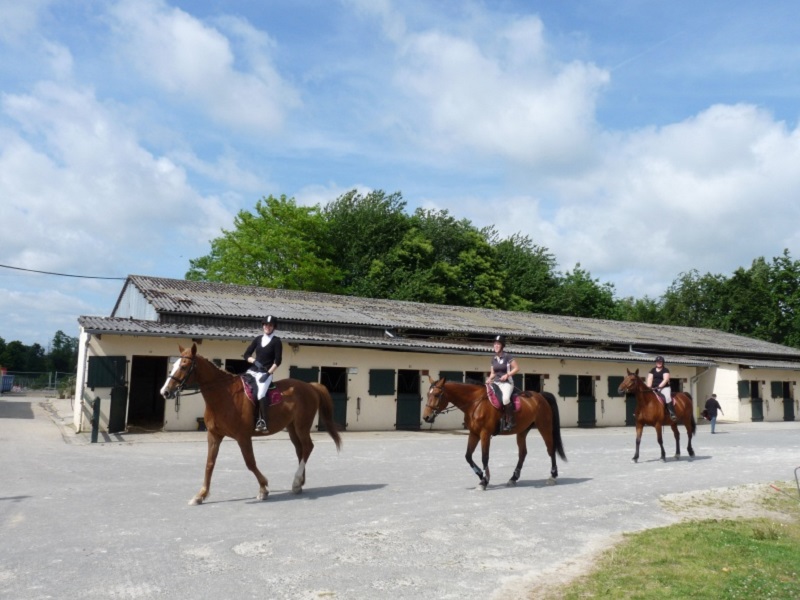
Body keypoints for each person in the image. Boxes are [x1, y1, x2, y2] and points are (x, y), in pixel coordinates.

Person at [243, 315, 283, 432]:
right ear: (263, 326)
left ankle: (263, 421)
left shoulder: (276, 341)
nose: (267, 327)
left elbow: (278, 361)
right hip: (253, 370)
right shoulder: (258, 339)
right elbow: (246, 355)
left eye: (270, 325)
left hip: (265, 373)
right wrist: (255, 361)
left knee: (260, 394)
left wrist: (268, 373)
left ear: (273, 327)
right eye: (265, 325)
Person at [486, 335, 519, 431]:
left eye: (498, 344)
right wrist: (489, 379)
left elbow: (517, 368)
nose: (496, 345)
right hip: (496, 383)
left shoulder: (507, 356)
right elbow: (493, 373)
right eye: (495, 344)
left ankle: (511, 421)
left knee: (505, 399)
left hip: (507, 383)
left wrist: (507, 375)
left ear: (502, 346)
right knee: (487, 397)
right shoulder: (493, 359)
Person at [646, 355, 676, 421]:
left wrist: (659, 386)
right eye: (657, 362)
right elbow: (650, 379)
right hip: (654, 388)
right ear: (656, 362)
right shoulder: (652, 370)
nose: (659, 363)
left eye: (660, 362)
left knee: (668, 397)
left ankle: (672, 413)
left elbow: (665, 380)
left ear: (662, 363)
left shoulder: (665, 370)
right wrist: (649, 387)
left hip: (664, 388)